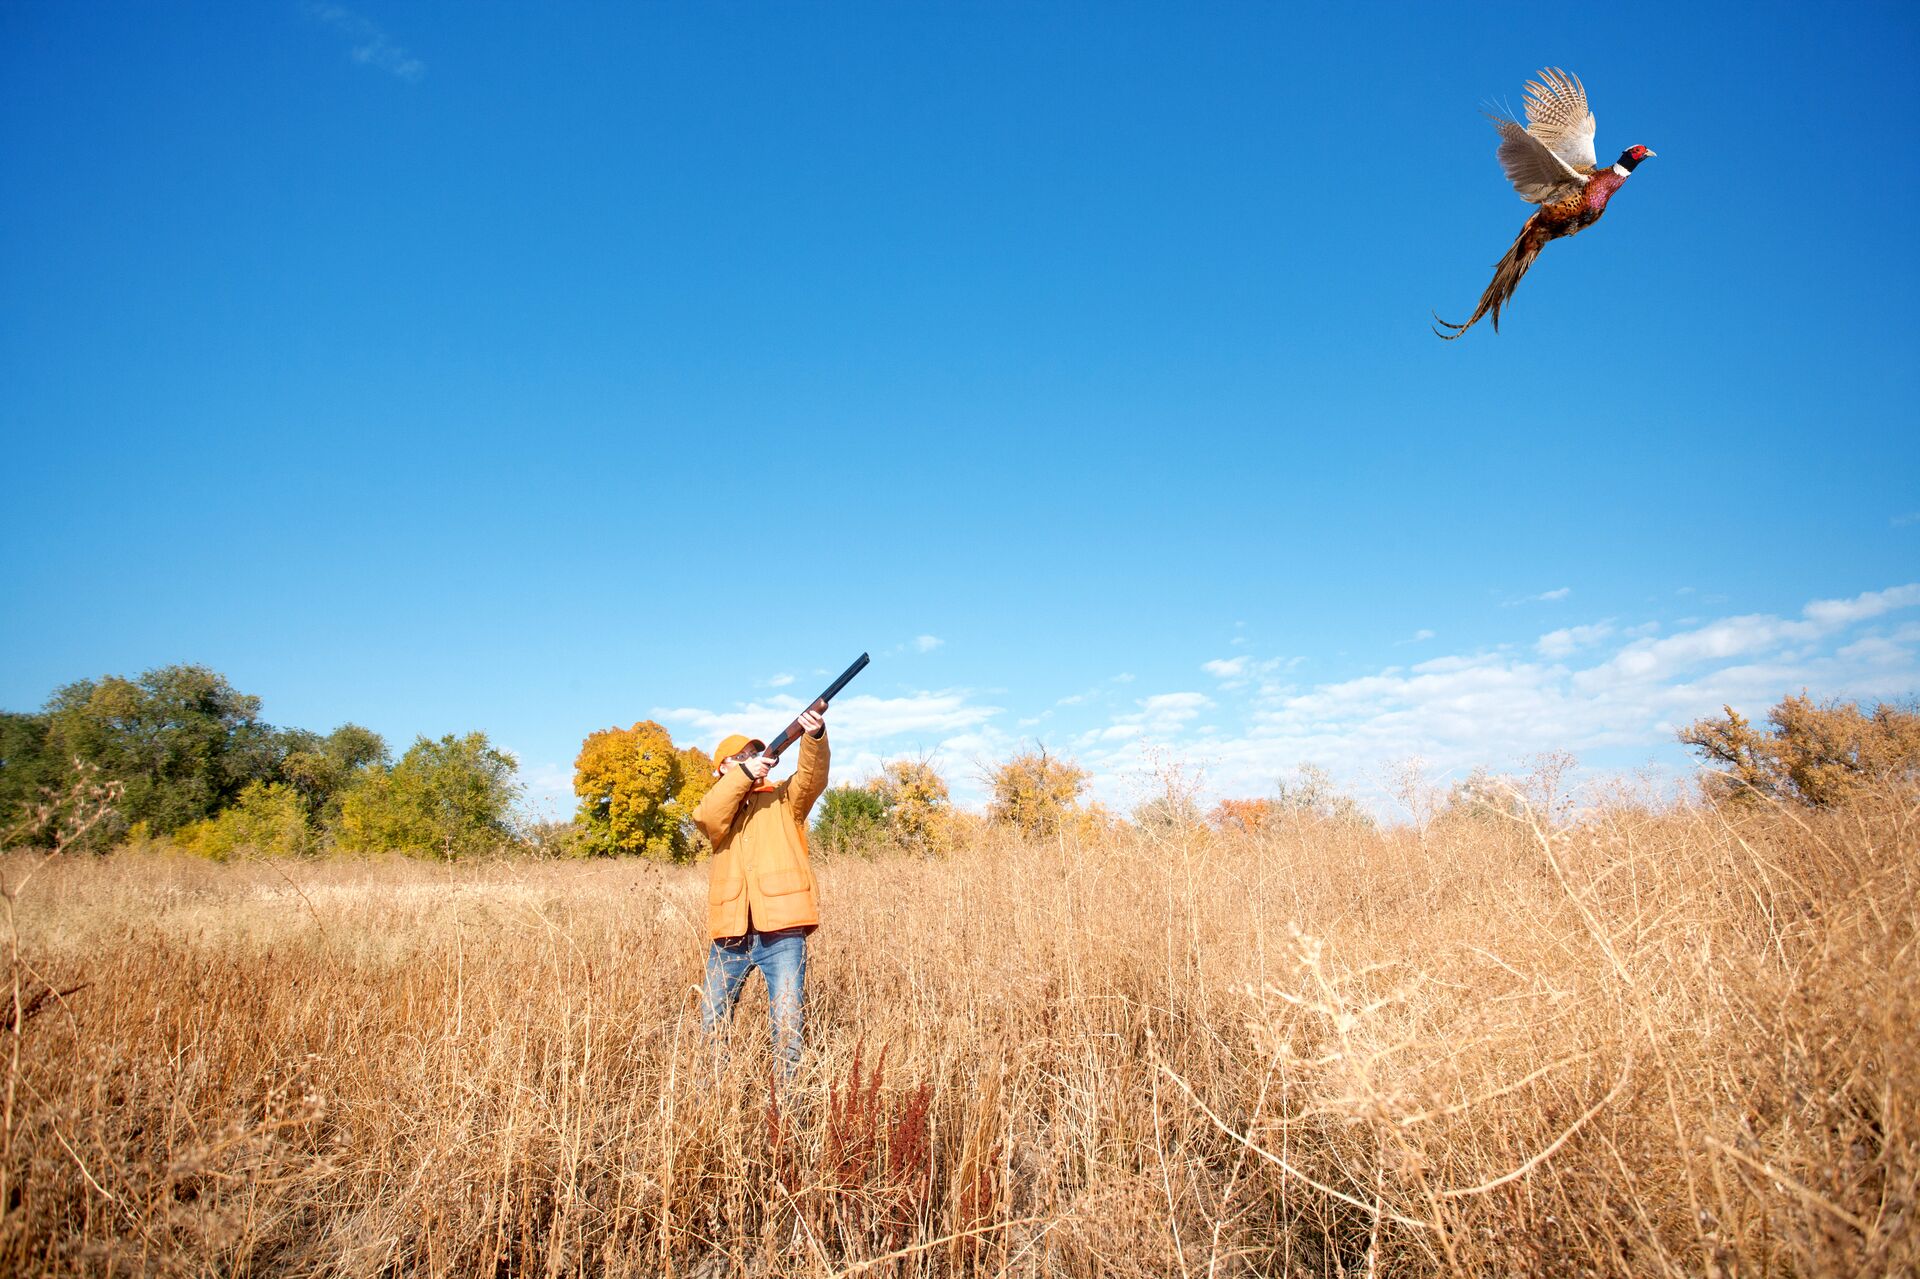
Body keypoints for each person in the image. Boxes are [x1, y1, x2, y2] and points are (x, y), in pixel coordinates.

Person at [691, 707, 828, 1074]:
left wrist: (814, 738)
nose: (751, 759)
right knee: (712, 1021)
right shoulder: (718, 809)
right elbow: (707, 816)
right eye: (740, 757)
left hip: (782, 933)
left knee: (787, 1028)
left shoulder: (784, 799)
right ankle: (712, 1100)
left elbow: (812, 780)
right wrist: (744, 776)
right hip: (730, 935)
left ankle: (787, 1112)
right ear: (721, 769)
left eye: (754, 754)